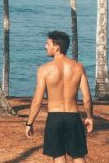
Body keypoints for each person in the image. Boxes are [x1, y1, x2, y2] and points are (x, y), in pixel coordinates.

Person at [24, 30, 93, 162]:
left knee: (59, 157)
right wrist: (89, 117)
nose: (45, 46)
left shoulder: (44, 69)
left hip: (55, 118)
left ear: (56, 47)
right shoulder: (78, 67)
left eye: (47, 43)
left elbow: (37, 101)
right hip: (73, 117)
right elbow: (87, 98)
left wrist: (29, 123)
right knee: (78, 156)